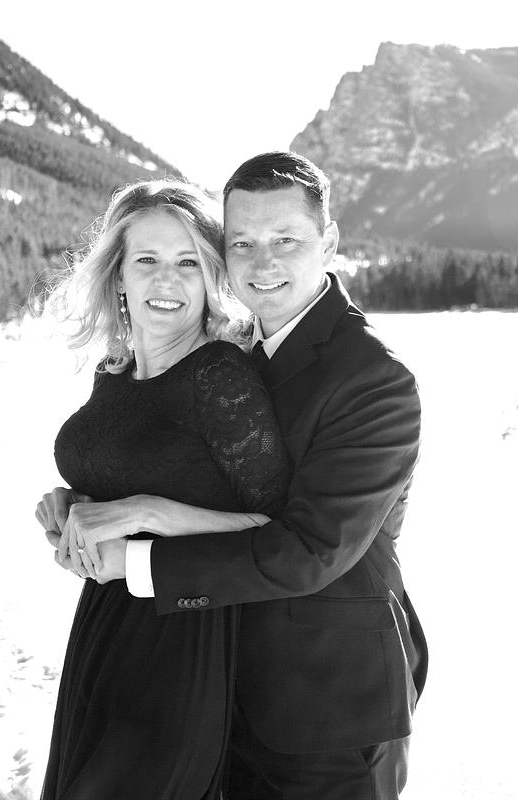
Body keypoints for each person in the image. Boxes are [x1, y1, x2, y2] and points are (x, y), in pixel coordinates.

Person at [40, 152, 428, 800]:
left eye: (286, 240)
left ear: (329, 244)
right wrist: (83, 501)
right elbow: (190, 466)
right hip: (216, 684)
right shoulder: (237, 345)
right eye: (243, 242)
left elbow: (310, 548)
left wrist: (138, 544)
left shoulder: (373, 380)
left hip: (325, 704)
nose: (263, 261)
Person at [36, 178, 291, 799]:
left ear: (211, 278)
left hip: (180, 649)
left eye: (188, 262)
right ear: (119, 275)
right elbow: (132, 465)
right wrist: (73, 505)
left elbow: (279, 532)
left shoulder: (219, 375)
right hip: (103, 629)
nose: (167, 280)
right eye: (147, 260)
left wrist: (143, 512)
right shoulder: (115, 370)